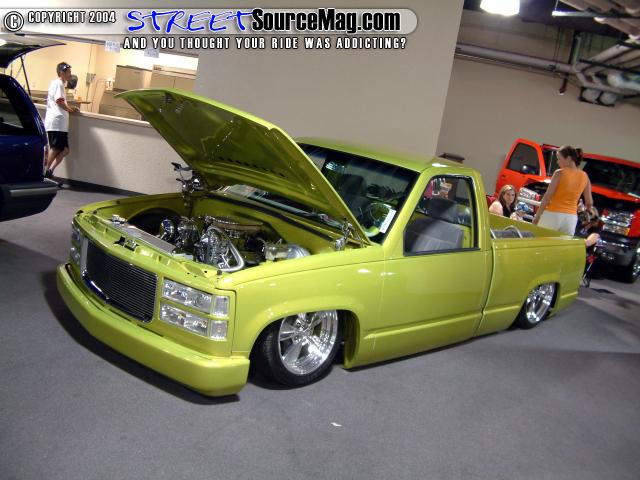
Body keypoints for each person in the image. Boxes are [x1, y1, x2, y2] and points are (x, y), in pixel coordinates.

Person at [533, 145, 594, 235]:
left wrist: (537, 216)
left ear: (568, 158)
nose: (557, 162)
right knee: (562, 243)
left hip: (553, 214)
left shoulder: (559, 173)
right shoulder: (585, 176)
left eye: (559, 158)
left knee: (540, 240)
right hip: (571, 218)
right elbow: (589, 202)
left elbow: (547, 197)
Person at [44, 62, 79, 182]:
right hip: (57, 122)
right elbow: (59, 101)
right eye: (68, 72)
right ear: (61, 72)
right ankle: (44, 173)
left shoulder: (59, 84)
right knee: (56, 148)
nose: (70, 74)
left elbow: (59, 101)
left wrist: (69, 108)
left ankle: (49, 171)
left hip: (60, 124)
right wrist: (70, 109)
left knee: (65, 149)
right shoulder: (58, 83)